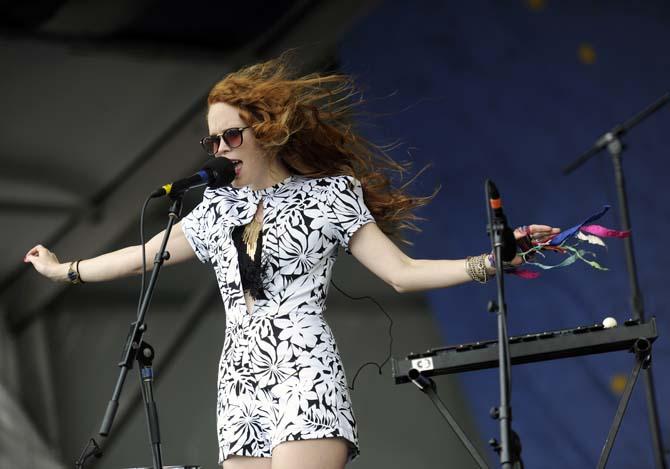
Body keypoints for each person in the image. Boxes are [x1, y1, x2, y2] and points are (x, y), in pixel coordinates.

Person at [24, 56, 559, 469]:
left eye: (231, 136)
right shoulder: (215, 209)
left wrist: (490, 262)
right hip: (239, 376)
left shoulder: (329, 196)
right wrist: (63, 270)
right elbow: (142, 257)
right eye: (212, 141)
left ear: (268, 131)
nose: (220, 148)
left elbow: (401, 274)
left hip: (304, 367)